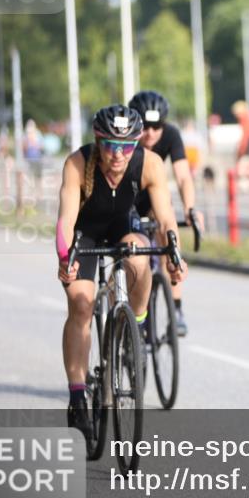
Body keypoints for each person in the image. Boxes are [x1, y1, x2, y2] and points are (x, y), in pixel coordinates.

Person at [55, 105, 187, 437]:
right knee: (81, 305)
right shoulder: (77, 163)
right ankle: (77, 395)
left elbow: (166, 218)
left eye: (126, 146)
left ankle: (135, 327)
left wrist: (174, 253)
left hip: (122, 227)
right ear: (98, 142)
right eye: (111, 145)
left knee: (139, 258)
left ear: (137, 144)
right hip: (84, 234)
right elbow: (66, 219)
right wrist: (64, 255)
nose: (118, 154)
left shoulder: (149, 164)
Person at [128, 91, 203, 336]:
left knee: (167, 233)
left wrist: (190, 208)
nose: (150, 132)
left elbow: (183, 176)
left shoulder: (171, 135)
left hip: (153, 196)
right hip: (127, 197)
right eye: (145, 126)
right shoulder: (126, 137)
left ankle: (177, 308)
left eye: (156, 126)